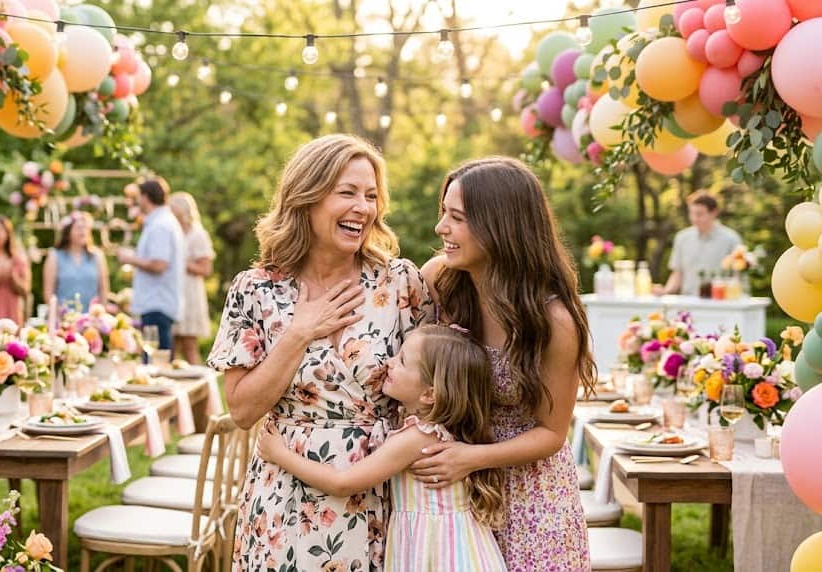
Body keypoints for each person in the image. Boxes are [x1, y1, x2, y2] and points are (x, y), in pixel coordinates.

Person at [207, 134, 434, 571]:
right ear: (306, 199)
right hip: (282, 497)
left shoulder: (401, 283)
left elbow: (441, 384)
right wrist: (299, 333)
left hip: (380, 496)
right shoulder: (255, 290)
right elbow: (241, 411)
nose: (363, 208)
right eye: (346, 193)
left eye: (370, 196)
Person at [411, 157, 595, 570]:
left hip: (532, 500)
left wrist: (470, 457)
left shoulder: (553, 320)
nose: (441, 228)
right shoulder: (439, 282)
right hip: (458, 495)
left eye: (456, 218)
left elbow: (551, 433)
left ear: (500, 227)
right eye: (444, 213)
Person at [257, 324, 507, 572]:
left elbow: (343, 483)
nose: (389, 362)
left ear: (429, 394)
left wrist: (279, 454)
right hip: (457, 549)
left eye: (402, 361)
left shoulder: (417, 438)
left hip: (440, 554)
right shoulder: (434, 432)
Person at [116, 177, 185, 352]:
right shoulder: (160, 222)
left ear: (145, 197)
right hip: (157, 303)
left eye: (138, 197)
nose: (136, 201)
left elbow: (159, 264)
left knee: (156, 363)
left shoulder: (160, 225)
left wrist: (130, 259)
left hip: (157, 305)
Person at [654, 190, 743, 296]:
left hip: (720, 305)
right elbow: (677, 274)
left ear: (714, 213)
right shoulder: (682, 238)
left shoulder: (731, 239)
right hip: (688, 303)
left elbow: (738, 277)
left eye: (699, 214)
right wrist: (665, 291)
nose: (694, 218)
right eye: (691, 213)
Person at [167, 192, 216, 364]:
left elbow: (206, 268)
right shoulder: (172, 232)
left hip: (190, 294)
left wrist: (182, 263)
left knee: (189, 346)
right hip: (173, 293)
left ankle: (200, 389)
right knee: (169, 347)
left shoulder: (198, 234)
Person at [42, 211, 109, 311]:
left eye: (85, 228)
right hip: (64, 319)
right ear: (68, 232)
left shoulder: (97, 256)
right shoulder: (55, 256)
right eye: (78, 228)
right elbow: (48, 293)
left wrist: (100, 315)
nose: (83, 232)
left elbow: (103, 291)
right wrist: (59, 316)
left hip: (91, 319)